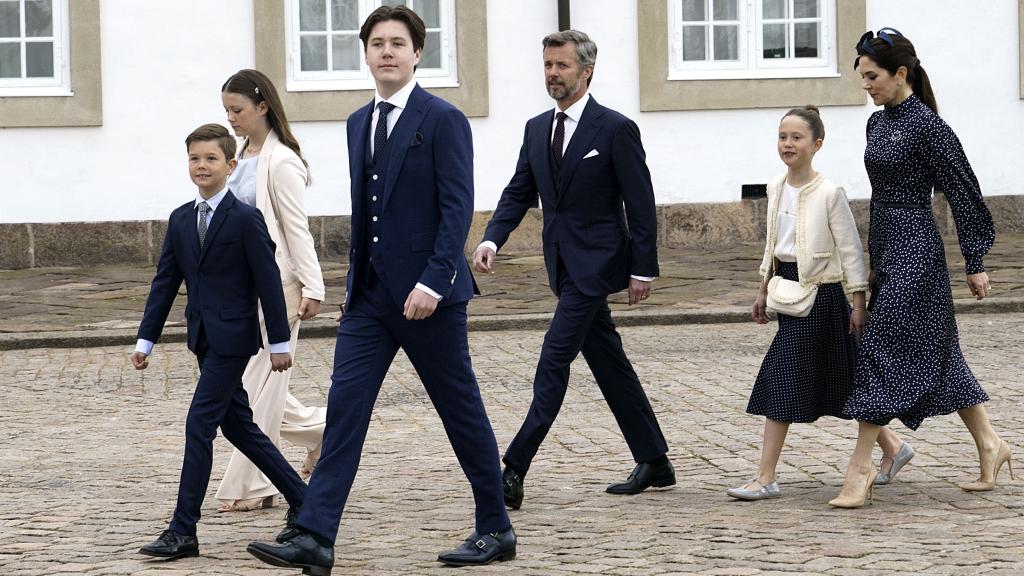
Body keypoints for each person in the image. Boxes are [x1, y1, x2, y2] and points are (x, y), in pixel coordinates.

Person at [246, 7, 514, 574]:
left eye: (398, 43)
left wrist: (433, 282)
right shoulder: (355, 122)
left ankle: (495, 526)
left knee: (459, 411)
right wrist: (352, 284)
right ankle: (316, 534)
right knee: (344, 412)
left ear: (418, 53)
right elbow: (365, 211)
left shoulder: (443, 119)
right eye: (377, 44)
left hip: (429, 300)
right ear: (365, 54)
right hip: (369, 300)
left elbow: (455, 208)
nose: (387, 52)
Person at [473, 30, 673, 510]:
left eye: (561, 66)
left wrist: (642, 269)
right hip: (561, 264)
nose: (552, 74)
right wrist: (491, 238)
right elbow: (520, 190)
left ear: (586, 71)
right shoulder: (536, 127)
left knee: (553, 359)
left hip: (598, 265)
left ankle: (513, 467)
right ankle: (654, 459)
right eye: (547, 65)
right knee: (609, 363)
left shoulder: (615, 128)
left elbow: (640, 204)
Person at [831, 28, 1010, 508]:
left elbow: (964, 190)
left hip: (917, 247)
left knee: (879, 344)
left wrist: (976, 260)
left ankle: (861, 469)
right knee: (938, 352)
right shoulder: (877, 124)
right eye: (862, 77)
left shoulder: (929, 127)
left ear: (900, 73)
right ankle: (991, 444)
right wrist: (870, 260)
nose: (866, 86)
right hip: (888, 244)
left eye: (872, 77)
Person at [133, 124, 307, 559]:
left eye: (211, 158)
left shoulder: (246, 218)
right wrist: (146, 339)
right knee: (239, 427)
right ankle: (305, 501)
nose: (201, 166)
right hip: (203, 339)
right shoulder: (179, 219)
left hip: (235, 340)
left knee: (199, 424)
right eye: (194, 158)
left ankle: (183, 531)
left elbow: (269, 283)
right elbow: (165, 283)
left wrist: (280, 343)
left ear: (230, 166)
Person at [726, 106, 907, 500]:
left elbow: (852, 251)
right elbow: (773, 245)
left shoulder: (829, 193)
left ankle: (766, 477)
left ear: (816, 144)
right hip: (787, 291)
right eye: (782, 137)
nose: (788, 144)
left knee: (782, 377)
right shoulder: (776, 187)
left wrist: (858, 304)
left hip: (822, 297)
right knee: (839, 378)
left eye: (796, 137)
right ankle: (893, 447)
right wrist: (762, 288)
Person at [214, 69, 327, 513]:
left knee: (257, 387)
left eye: (237, 110)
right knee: (248, 385)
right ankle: (323, 429)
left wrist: (312, 286)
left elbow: (297, 230)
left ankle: (252, 484)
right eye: (226, 111)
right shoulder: (239, 155)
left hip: (279, 287)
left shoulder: (281, 162)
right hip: (240, 289)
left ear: (262, 106)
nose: (231, 119)